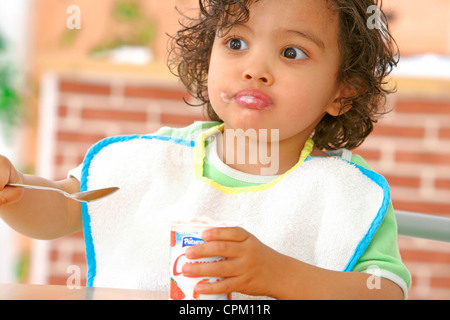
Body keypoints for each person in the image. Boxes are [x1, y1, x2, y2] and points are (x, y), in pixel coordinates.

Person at [0, 0, 410, 299]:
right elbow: (61, 207)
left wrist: (280, 276)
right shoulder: (156, 157)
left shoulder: (343, 192)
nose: (254, 68)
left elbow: (384, 292)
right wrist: (15, 191)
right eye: (235, 43)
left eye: (291, 52)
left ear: (342, 93)